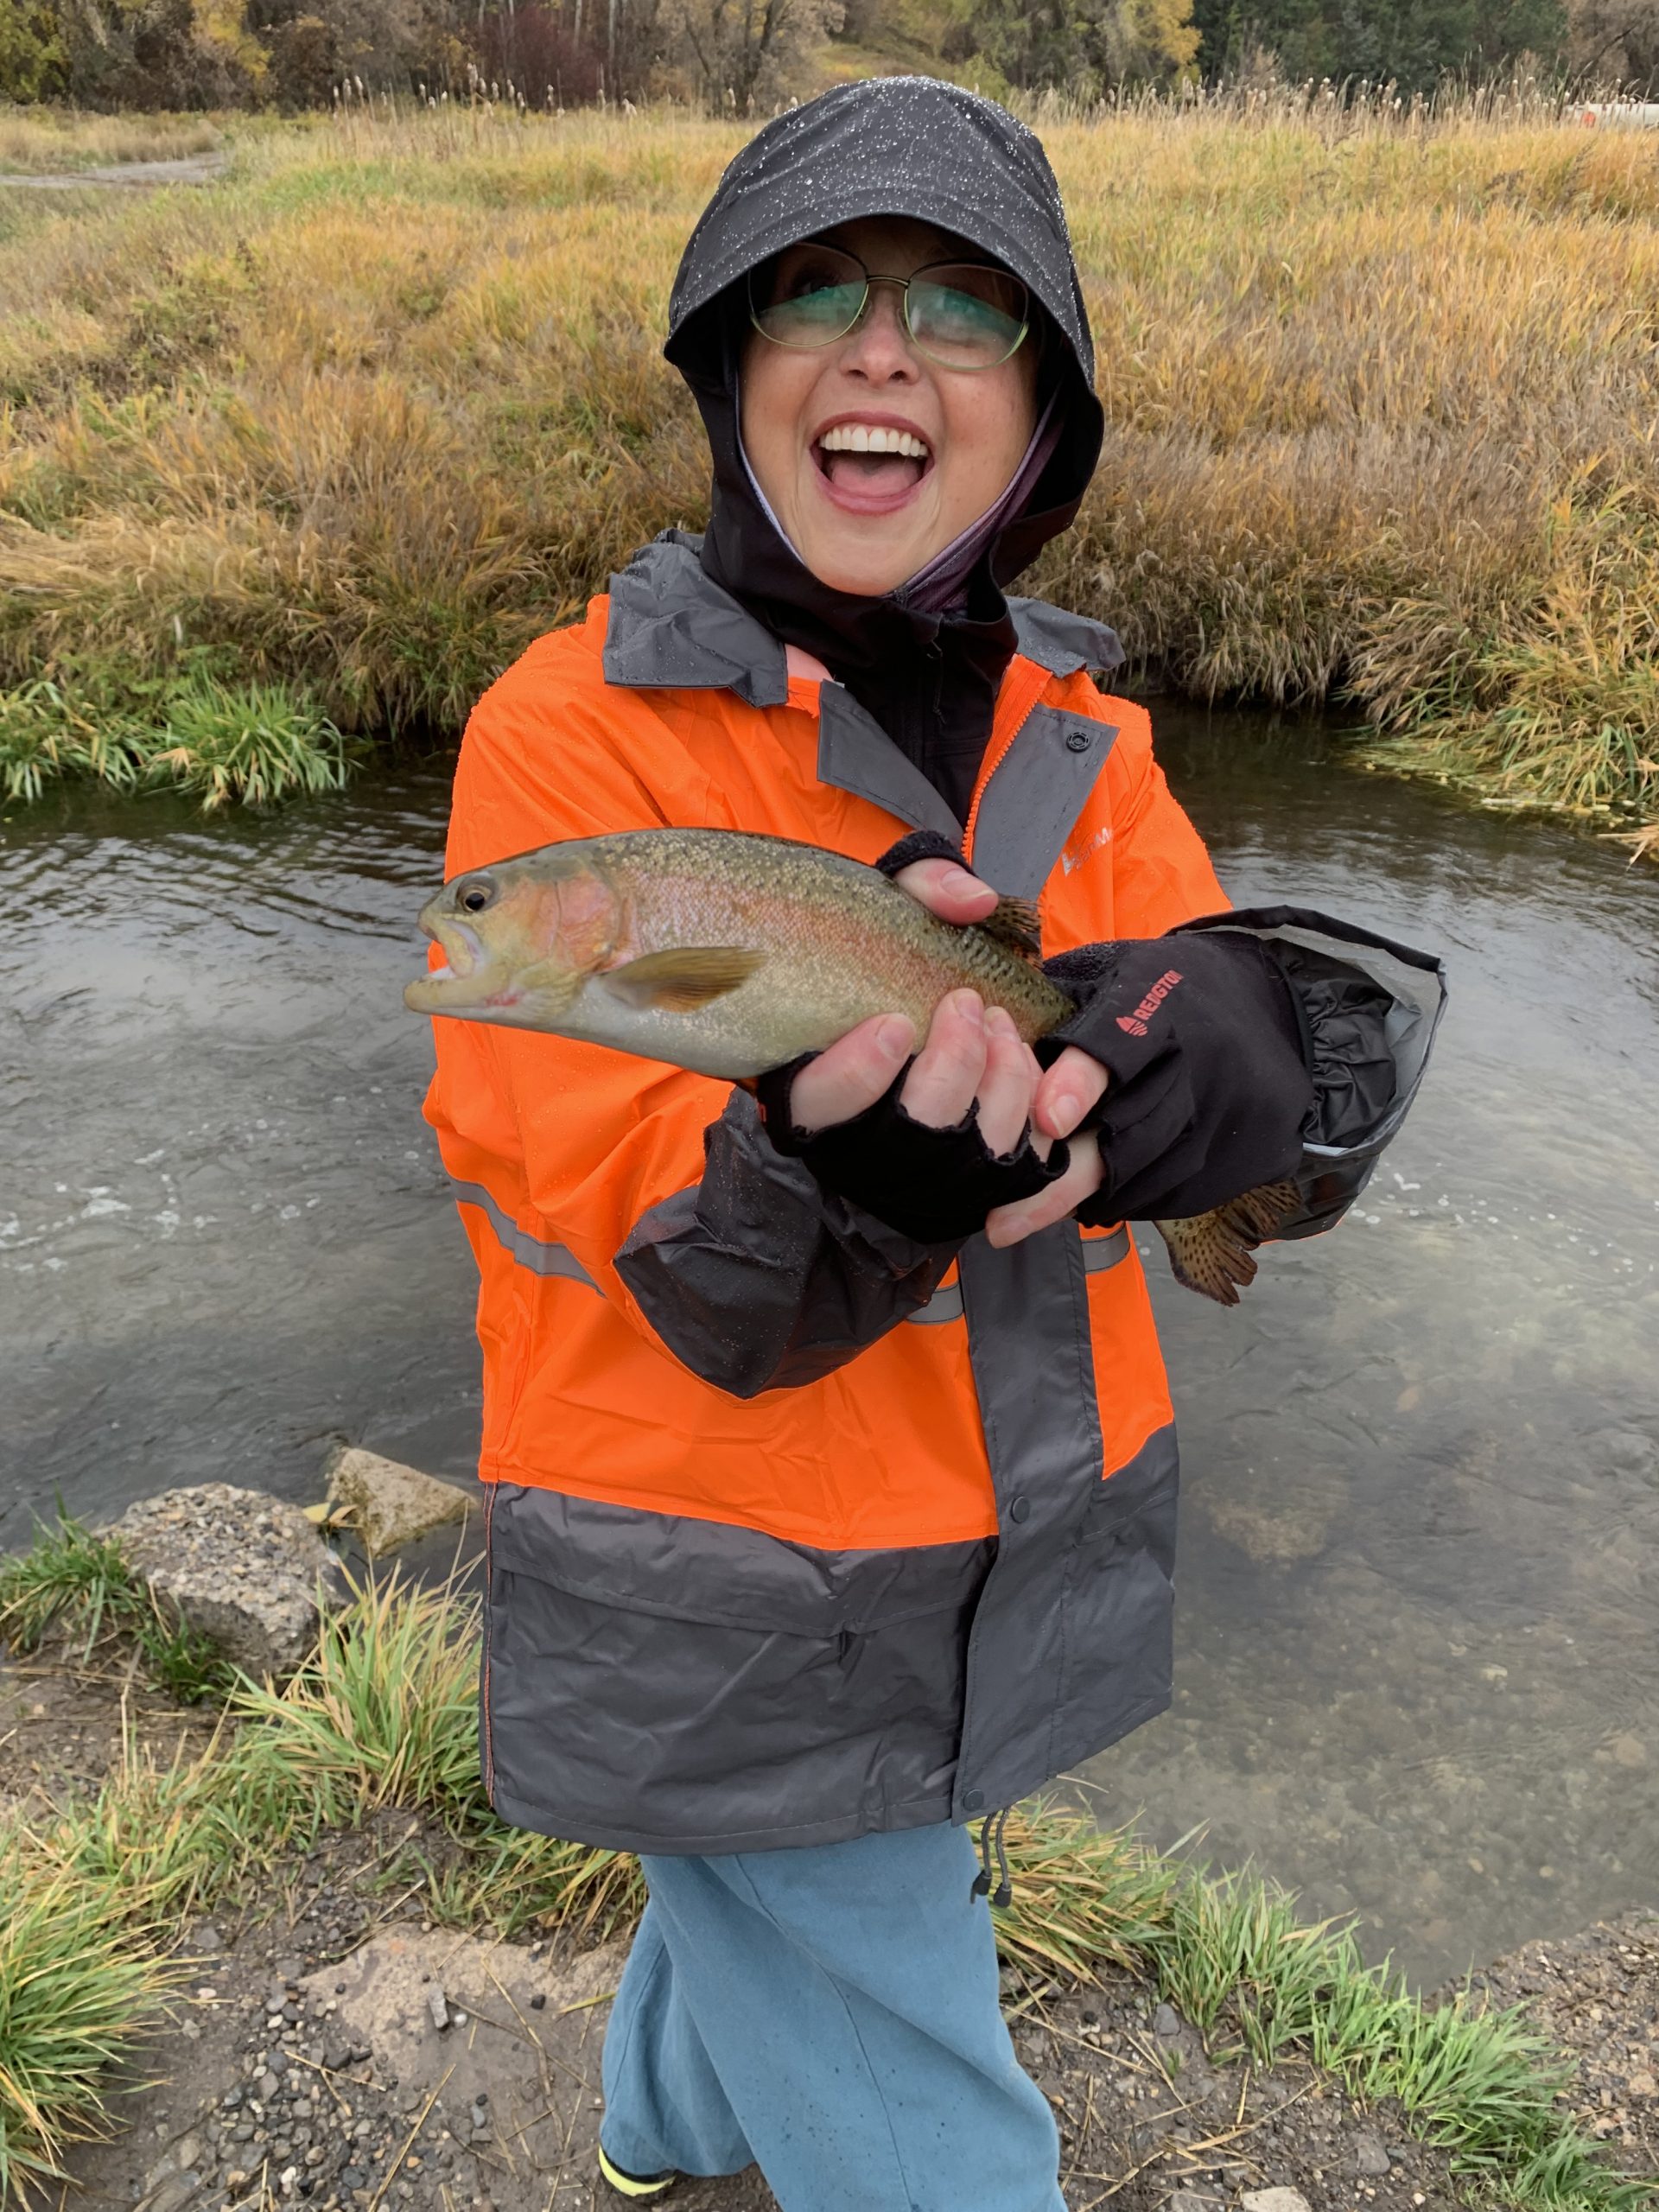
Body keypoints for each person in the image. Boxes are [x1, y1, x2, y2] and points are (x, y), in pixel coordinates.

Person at [422, 77, 1444, 2212]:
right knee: (904, 2043)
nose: (883, 349)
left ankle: (654, 2130)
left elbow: (1180, 976)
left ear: (1042, 421)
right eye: (815, 295)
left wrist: (1239, 1042)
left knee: (786, 1884)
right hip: (724, 1571)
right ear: (729, 376)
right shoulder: (566, 728)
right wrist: (822, 1170)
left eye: (961, 314)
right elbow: (585, 1163)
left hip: (999, 1520)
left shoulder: (1093, 734)